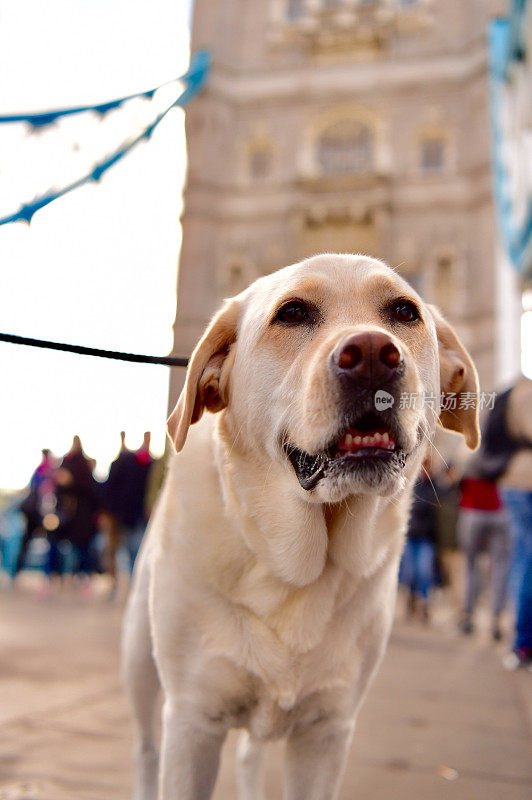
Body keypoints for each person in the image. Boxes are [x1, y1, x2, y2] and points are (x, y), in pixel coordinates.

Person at [497, 378, 532, 669]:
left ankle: (520, 644)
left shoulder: (517, 391)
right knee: (525, 563)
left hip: (516, 481)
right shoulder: (526, 393)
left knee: (522, 561)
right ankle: (523, 644)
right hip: (525, 483)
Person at [457, 463, 510, 640]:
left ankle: (468, 617)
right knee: (500, 567)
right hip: (500, 508)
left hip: (473, 507)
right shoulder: (509, 441)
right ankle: (496, 619)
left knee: (471, 565)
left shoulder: (470, 447)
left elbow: (456, 474)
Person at [104, 431, 153, 585]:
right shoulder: (137, 464)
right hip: (123, 515)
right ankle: (126, 582)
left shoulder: (140, 464)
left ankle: (129, 583)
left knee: (131, 550)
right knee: (127, 551)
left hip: (131, 515)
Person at [399, 458, 439, 623]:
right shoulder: (410, 484)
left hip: (426, 537)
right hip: (409, 536)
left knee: (424, 572)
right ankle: (411, 600)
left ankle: (422, 603)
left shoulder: (435, 487)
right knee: (409, 573)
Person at [15, 448, 57, 577]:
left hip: (44, 513)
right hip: (39, 513)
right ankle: (49, 574)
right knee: (35, 542)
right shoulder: (46, 471)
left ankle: (49, 574)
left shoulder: (45, 471)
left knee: (47, 543)